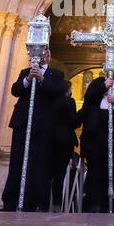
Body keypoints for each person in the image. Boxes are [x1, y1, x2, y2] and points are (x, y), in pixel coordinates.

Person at [1, 50, 64, 211]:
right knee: (17, 161)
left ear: (49, 56)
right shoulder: (25, 72)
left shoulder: (56, 74)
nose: (41, 56)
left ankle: (35, 203)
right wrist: (28, 79)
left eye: (44, 53)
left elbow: (58, 93)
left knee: (40, 163)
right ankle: (11, 202)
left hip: (43, 125)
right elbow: (15, 90)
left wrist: (42, 79)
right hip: (22, 122)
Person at [78, 58, 114, 213]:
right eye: (112, 63)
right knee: (97, 165)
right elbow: (89, 97)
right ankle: (96, 202)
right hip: (98, 127)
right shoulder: (98, 82)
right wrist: (104, 87)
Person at [50, 80, 78, 211]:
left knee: (48, 173)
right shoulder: (69, 102)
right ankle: (56, 204)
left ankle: (44, 204)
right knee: (60, 173)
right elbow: (74, 121)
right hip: (65, 140)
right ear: (67, 90)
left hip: (51, 139)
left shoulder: (52, 102)